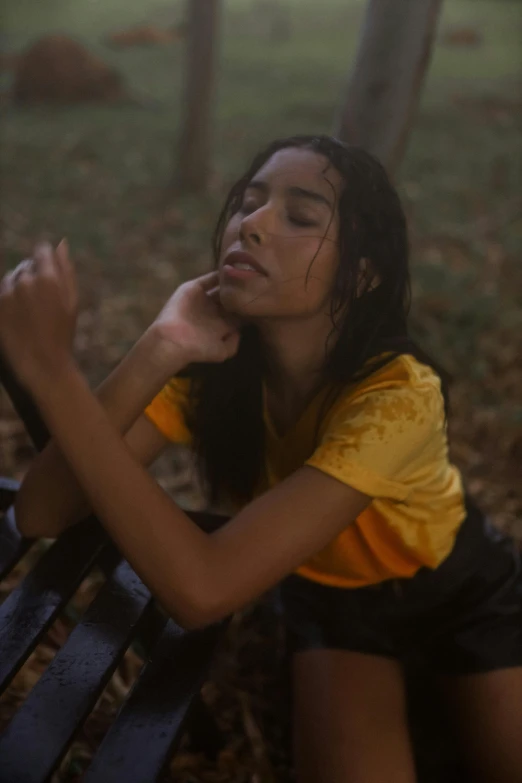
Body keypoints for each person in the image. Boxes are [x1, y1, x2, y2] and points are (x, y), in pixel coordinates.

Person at [0, 135, 521, 783]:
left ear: (361, 274)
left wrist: (55, 376)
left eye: (300, 216)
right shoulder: (212, 367)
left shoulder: (399, 396)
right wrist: (159, 347)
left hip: (459, 590)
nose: (253, 222)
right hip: (333, 606)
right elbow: (41, 509)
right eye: (248, 203)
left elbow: (203, 587)